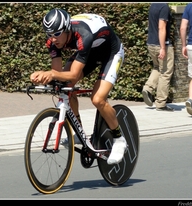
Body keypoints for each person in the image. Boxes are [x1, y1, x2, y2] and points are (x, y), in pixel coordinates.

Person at [30, 9, 126, 165]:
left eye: (57, 34)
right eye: (49, 34)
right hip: (90, 52)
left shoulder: (83, 34)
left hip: (111, 52)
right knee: (65, 87)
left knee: (98, 99)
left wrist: (52, 75)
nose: (53, 39)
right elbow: (58, 73)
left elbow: (73, 75)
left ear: (67, 28)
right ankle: (80, 133)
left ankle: (119, 139)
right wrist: (42, 78)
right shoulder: (53, 40)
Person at [142, 3, 174, 111]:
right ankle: (160, 103)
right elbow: (161, 27)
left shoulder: (153, 5)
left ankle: (148, 88)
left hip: (151, 43)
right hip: (161, 44)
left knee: (157, 67)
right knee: (165, 72)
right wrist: (163, 48)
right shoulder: (164, 7)